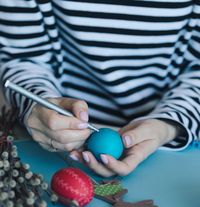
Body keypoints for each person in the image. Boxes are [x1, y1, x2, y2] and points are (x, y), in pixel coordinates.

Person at [0, 1, 199, 177]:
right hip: (55, 148)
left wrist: (168, 125)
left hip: (171, 151)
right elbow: (23, 58)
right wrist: (39, 103)